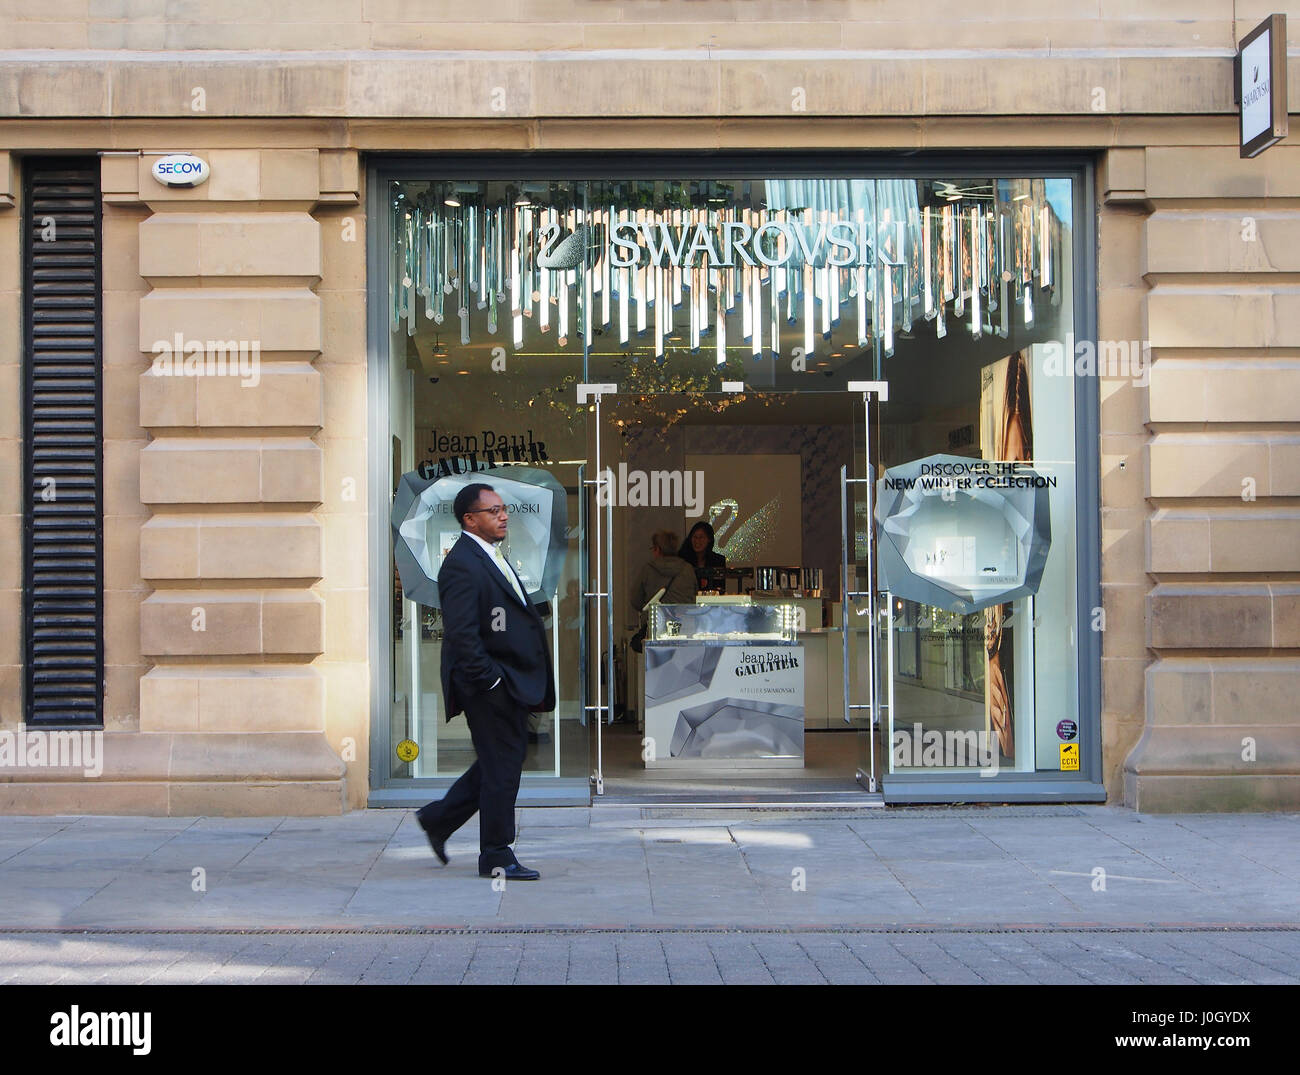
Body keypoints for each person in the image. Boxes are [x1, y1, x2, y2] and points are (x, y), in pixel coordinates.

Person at [414, 482, 555, 882]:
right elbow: (461, 634)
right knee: (503, 769)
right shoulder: (461, 562)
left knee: (501, 762)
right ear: (469, 519)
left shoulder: (489, 555)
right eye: (492, 511)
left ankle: (439, 819)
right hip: (490, 686)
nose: (503, 515)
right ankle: (496, 854)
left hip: (507, 680)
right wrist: (490, 682)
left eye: (504, 509)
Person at [628, 530, 698, 654]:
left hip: (656, 630)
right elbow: (694, 597)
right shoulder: (688, 569)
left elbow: (635, 600)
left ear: (658, 549)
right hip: (685, 630)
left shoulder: (648, 569)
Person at [677, 520, 726, 591]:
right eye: (695, 537)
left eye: (701, 537)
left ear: (709, 539)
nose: (697, 541)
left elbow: (720, 588)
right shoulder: (682, 559)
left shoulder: (718, 560)